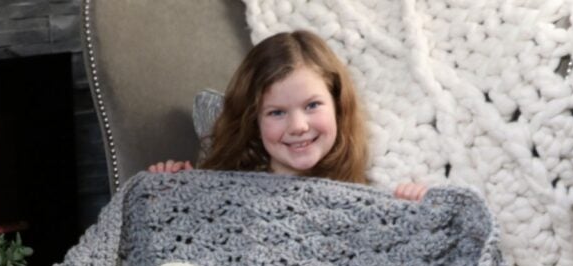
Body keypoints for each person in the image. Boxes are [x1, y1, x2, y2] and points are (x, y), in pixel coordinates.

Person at [148, 30, 427, 201]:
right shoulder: (225, 193)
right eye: (277, 112)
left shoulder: (362, 200)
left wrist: (416, 218)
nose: (298, 126)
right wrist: (174, 195)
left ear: (338, 107)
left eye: (312, 106)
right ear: (254, 121)